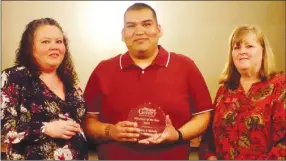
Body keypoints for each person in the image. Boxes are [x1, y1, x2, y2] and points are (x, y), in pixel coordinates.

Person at [83, 3, 213, 160]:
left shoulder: (186, 66)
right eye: (131, 26)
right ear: (123, 34)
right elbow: (88, 120)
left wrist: (178, 135)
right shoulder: (103, 69)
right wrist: (110, 130)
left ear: (159, 30)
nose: (139, 31)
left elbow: (203, 115)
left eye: (146, 24)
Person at [1, 18, 88, 160]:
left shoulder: (72, 86)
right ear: (30, 48)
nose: (54, 46)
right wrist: (46, 128)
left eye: (59, 41)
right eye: (45, 41)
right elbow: (4, 130)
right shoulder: (13, 77)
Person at [199, 25, 286, 160]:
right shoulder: (224, 91)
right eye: (237, 47)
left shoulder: (280, 87)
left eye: (249, 46)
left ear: (263, 51)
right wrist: (210, 157)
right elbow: (208, 139)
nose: (242, 51)